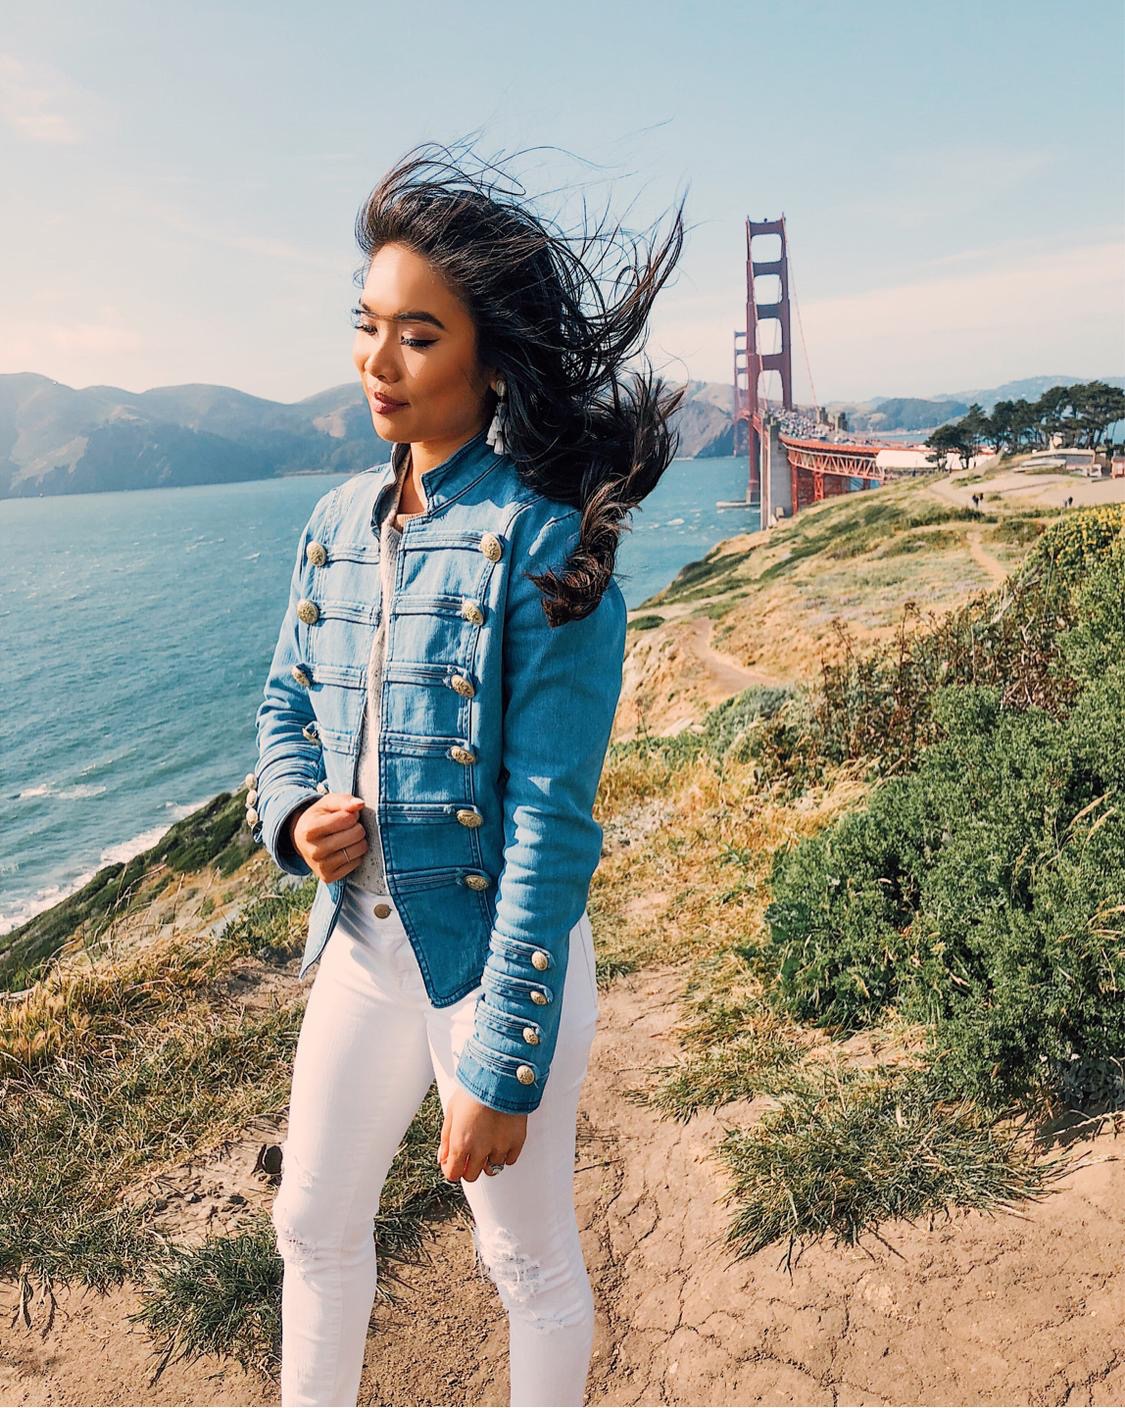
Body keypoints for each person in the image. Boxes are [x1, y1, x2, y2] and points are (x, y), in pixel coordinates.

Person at [248, 138, 687, 1408]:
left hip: (491, 959)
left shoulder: (548, 542)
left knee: (525, 1259)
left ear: (489, 357)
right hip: (361, 948)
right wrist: (297, 818)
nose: (377, 363)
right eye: (367, 326)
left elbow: (553, 825)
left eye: (419, 335)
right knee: (311, 1228)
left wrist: (503, 1056)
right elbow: (284, 704)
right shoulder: (335, 524)